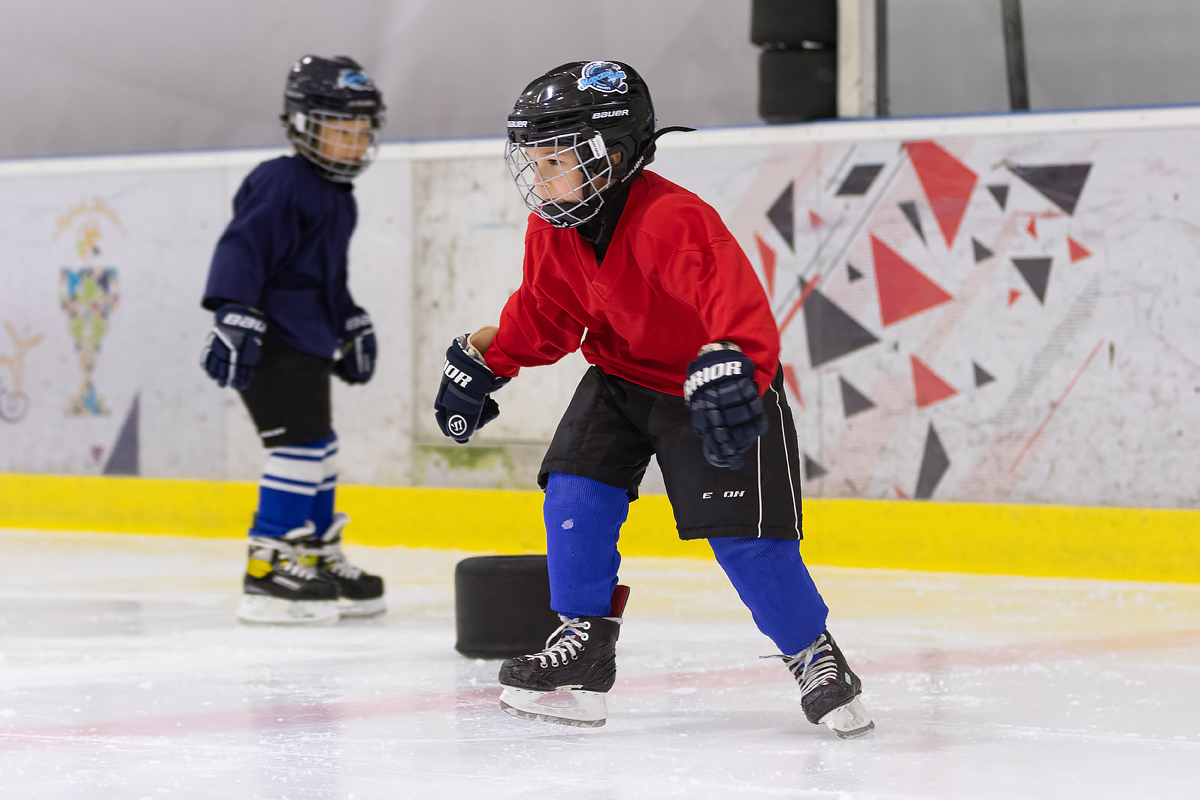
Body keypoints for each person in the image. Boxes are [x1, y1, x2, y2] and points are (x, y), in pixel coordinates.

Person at [433, 61, 874, 737]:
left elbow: (741, 314)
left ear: (611, 155)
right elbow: (546, 317)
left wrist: (736, 373)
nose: (542, 178)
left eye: (558, 161)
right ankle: (583, 644)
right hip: (618, 378)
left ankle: (815, 656)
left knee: (746, 542)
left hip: (708, 388)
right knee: (575, 492)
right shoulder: (551, 230)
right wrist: (484, 360)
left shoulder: (677, 220)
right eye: (537, 161)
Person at [200, 55, 387, 626]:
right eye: (340, 128)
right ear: (303, 124)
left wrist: (349, 318)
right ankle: (268, 563)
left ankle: (311, 553)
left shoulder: (338, 197)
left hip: (306, 342)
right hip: (268, 339)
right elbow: (242, 248)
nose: (354, 142)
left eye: (362, 131)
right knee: (299, 449)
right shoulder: (280, 180)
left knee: (321, 448)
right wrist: (232, 311)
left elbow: (325, 278)